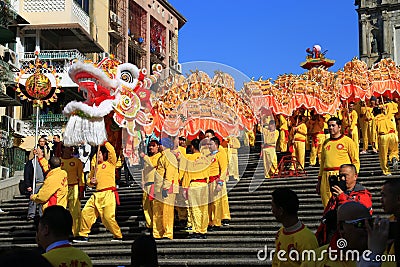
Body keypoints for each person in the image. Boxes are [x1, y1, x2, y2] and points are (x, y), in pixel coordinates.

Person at [73, 141, 123, 242]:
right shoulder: (94, 168)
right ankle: (83, 234)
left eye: (99, 154)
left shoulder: (110, 163)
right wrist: (91, 182)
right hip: (96, 194)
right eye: (96, 154)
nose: (97, 156)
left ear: (104, 154)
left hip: (108, 194)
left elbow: (112, 151)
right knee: (86, 212)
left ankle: (118, 235)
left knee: (108, 217)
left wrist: (104, 141)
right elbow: (89, 182)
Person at [315, 163, 372, 245]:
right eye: (340, 176)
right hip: (332, 239)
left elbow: (359, 213)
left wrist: (341, 197)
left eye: (345, 176)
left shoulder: (363, 194)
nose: (342, 178)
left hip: (353, 241)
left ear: (355, 176)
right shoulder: (337, 195)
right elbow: (326, 217)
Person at [301, 201, 372, 267]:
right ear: (341, 228)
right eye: (360, 224)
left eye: (370, 223)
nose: (367, 228)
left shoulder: (380, 255)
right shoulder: (316, 258)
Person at [317, 117, 360, 208]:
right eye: (329, 126)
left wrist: (353, 176)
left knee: (341, 203)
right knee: (327, 205)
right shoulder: (326, 143)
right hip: (326, 175)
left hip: (341, 176)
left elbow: (355, 161)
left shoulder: (348, 141)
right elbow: (322, 163)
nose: (331, 128)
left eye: (333, 125)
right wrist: (319, 180)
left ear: (339, 127)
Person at [271, 188, 318, 266]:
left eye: (273, 206)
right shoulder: (280, 232)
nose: (272, 210)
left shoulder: (307, 239)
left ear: (281, 210)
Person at [182, 139, 210, 239]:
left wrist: (184, 187)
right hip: (204, 185)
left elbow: (187, 173)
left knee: (195, 208)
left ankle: (197, 230)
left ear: (192, 147)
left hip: (194, 184)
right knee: (204, 208)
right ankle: (203, 230)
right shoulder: (205, 158)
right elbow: (208, 174)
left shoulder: (190, 158)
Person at [152, 137, 179, 240]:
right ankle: (158, 233)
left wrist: (166, 188)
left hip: (168, 189)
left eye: (160, 144)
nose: (159, 146)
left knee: (167, 212)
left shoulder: (169, 156)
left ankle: (168, 232)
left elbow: (170, 174)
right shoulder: (161, 157)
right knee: (158, 212)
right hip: (159, 188)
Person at [204, 129, 231, 225]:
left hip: (217, 179)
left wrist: (220, 181)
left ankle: (223, 217)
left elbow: (224, 168)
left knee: (220, 200)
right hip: (209, 180)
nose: (206, 139)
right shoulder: (206, 152)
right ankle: (212, 220)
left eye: (208, 136)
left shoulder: (220, 151)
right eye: (205, 137)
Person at [61, 146, 85, 237]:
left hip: (74, 187)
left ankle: (76, 232)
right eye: (68, 148)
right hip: (62, 188)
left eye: (72, 148)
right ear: (63, 149)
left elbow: (81, 176)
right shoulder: (59, 161)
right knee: (60, 211)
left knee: (75, 212)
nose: (71, 150)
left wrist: (81, 190)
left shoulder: (77, 162)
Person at [140, 140, 161, 233]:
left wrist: (144, 156)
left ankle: (156, 227)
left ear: (157, 147)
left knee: (155, 207)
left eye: (153, 146)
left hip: (154, 184)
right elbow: (144, 170)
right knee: (146, 207)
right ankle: (150, 225)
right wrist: (142, 181)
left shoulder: (159, 156)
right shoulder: (148, 158)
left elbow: (153, 164)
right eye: (150, 146)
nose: (151, 147)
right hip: (147, 185)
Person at [374, 106, 399, 176]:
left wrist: (374, 143)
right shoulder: (387, 117)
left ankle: (386, 171)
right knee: (394, 151)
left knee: (383, 155)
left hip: (384, 136)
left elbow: (373, 132)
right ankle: (394, 158)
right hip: (393, 135)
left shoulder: (375, 119)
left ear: (373, 113)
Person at [24, 156, 45, 220]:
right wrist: (28, 185)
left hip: (43, 184)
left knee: (42, 200)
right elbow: (26, 174)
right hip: (35, 184)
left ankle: (42, 214)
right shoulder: (31, 163)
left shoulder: (44, 162)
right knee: (33, 199)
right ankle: (31, 214)